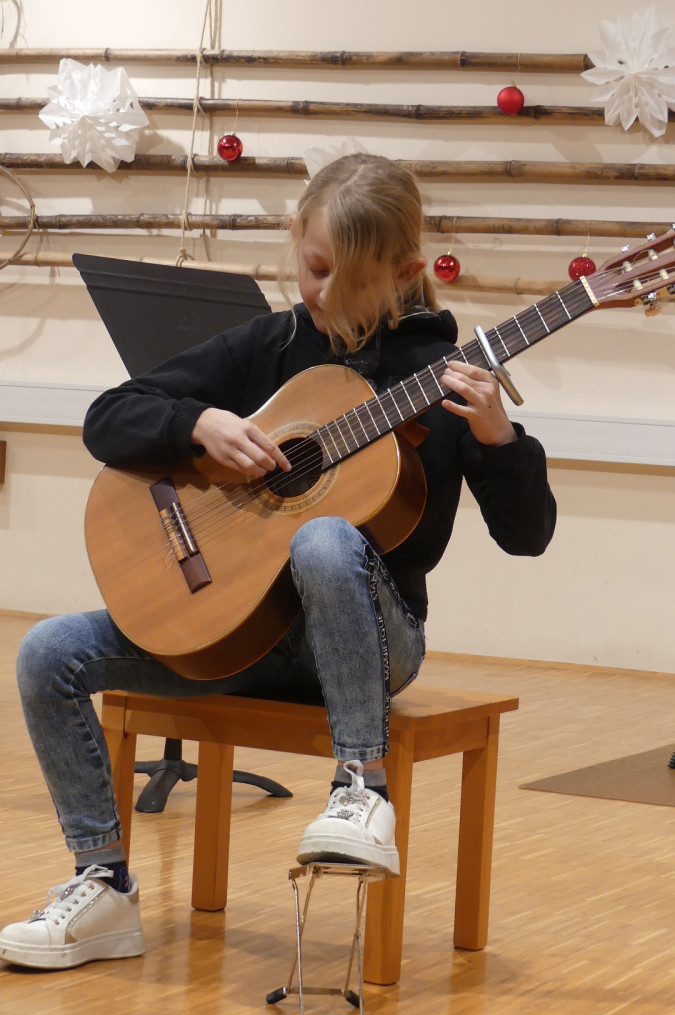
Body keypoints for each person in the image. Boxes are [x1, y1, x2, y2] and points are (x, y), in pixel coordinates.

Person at [0, 153, 556, 970]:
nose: (322, 295)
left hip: (375, 638)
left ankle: (359, 790)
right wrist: (197, 425)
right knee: (47, 651)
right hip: (245, 633)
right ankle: (104, 885)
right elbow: (109, 417)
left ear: (404, 275)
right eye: (313, 266)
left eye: (350, 280)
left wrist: (499, 440)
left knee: (322, 539)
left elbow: (528, 535)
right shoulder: (277, 342)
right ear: (296, 238)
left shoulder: (444, 380)